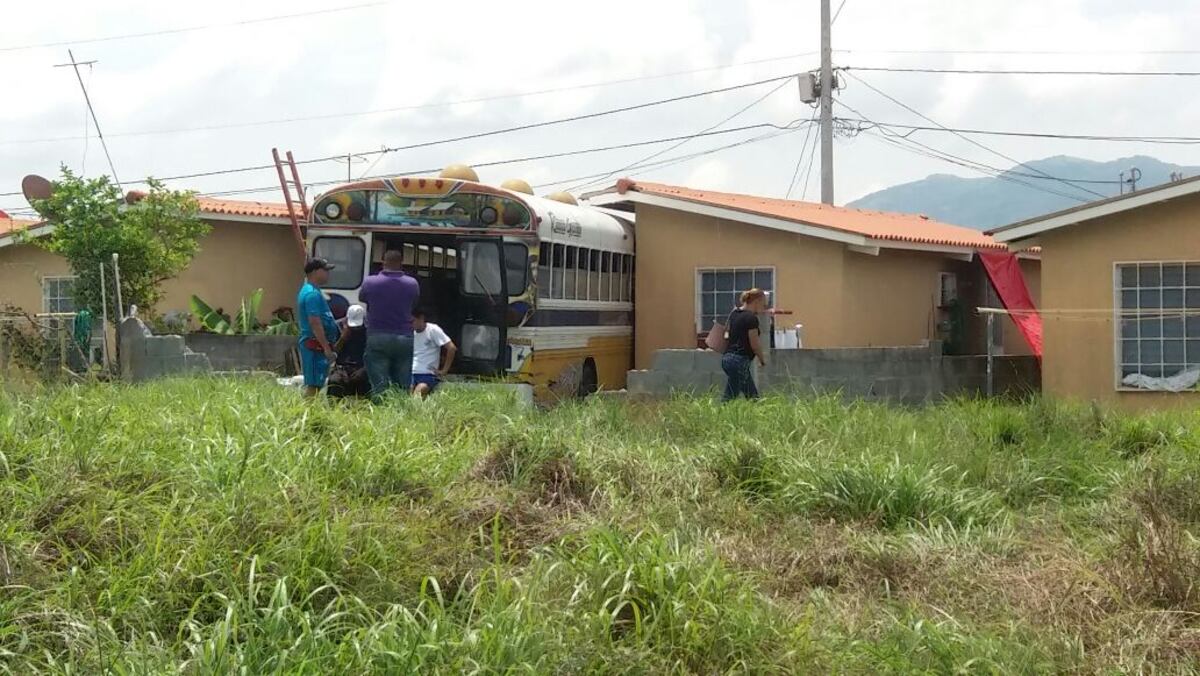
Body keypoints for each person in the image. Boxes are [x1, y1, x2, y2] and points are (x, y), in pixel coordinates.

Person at [359, 249, 420, 399]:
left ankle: (381, 412)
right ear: (401, 264)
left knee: (379, 383)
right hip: (404, 336)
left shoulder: (370, 282)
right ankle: (400, 410)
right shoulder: (412, 283)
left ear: (383, 262)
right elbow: (414, 303)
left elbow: (363, 298)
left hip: (378, 335)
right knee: (403, 381)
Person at [296, 257, 340, 397]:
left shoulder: (314, 291)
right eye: (325, 270)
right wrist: (326, 348)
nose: (328, 273)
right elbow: (314, 322)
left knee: (317, 384)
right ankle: (307, 414)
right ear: (315, 272)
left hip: (318, 346)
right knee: (313, 386)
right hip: (315, 347)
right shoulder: (311, 294)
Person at [721, 288, 768, 401]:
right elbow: (755, 344)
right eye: (763, 305)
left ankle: (722, 415)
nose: (763, 308)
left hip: (727, 359)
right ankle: (720, 415)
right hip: (739, 362)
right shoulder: (751, 318)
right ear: (757, 301)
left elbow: (726, 333)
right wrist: (762, 360)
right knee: (734, 396)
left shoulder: (734, 313)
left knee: (747, 394)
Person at [411, 308, 456, 398]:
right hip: (411, 371)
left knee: (419, 391)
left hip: (427, 373)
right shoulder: (410, 332)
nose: (411, 324)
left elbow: (451, 348)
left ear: (421, 318)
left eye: (413, 321)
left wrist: (444, 370)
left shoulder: (433, 330)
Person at [328, 304, 370, 398]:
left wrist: (364, 369)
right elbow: (334, 351)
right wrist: (343, 338)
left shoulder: (368, 330)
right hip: (342, 366)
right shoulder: (338, 327)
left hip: (361, 365)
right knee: (335, 381)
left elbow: (371, 352)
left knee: (361, 379)